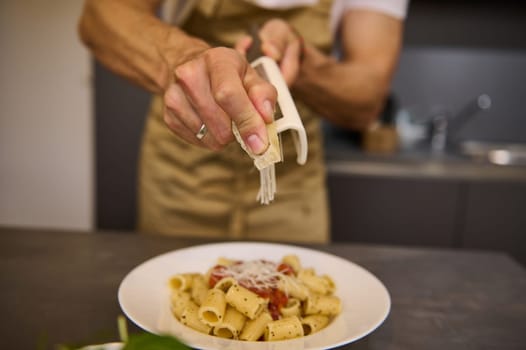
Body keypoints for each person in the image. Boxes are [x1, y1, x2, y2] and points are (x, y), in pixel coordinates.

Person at [78, 0, 408, 243]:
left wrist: (301, 62)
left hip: (292, 184)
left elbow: (367, 98)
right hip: (181, 172)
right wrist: (186, 61)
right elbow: (99, 18)